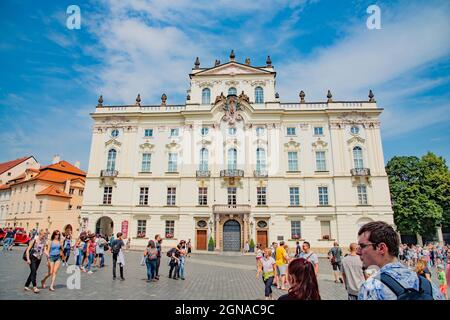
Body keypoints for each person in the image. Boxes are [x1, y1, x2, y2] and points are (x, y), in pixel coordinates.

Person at [357, 221, 444, 300]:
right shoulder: (427, 284)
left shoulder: (371, 287)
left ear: (381, 248)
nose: (358, 251)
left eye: (362, 246)